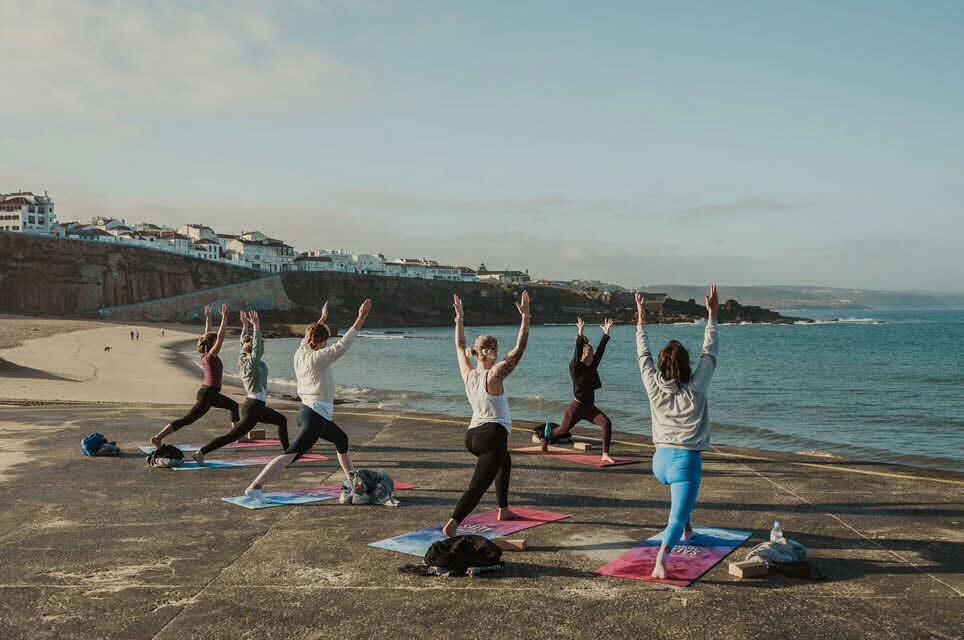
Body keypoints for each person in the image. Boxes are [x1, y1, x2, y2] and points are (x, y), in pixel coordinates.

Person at [244, 299, 372, 502]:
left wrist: (322, 319)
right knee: (291, 454)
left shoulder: (301, 351)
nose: (327, 344)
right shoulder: (318, 357)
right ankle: (255, 486)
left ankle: (353, 481)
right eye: (325, 341)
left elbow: (308, 335)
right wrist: (360, 319)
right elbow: (343, 344)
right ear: (321, 342)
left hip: (308, 411)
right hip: (315, 415)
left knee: (342, 440)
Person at [636, 286, 720, 579]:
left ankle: (689, 530)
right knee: (675, 515)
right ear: (686, 365)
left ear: (661, 365)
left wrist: (640, 319)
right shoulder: (696, 388)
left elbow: (642, 355)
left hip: (659, 462)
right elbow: (709, 353)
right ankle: (663, 556)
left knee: (682, 505)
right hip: (685, 462)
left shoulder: (652, 386)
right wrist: (711, 315)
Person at [441, 291, 531, 538]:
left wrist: (459, 318)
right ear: (490, 353)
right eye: (497, 351)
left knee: (505, 460)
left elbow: (459, 345)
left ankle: (503, 508)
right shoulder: (495, 375)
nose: (499, 354)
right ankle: (452, 524)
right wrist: (526, 317)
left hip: (473, 435)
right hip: (492, 436)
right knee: (476, 488)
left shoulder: (468, 373)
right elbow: (520, 348)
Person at [191, 310, 289, 465]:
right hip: (254, 408)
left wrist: (244, 326)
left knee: (281, 421)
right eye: (261, 346)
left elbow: (243, 344)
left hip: (254, 406)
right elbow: (254, 350)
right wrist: (256, 327)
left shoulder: (244, 358)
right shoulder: (251, 363)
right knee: (231, 436)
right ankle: (201, 452)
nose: (263, 348)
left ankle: (287, 453)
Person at [151, 304, 240, 447]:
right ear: (212, 344)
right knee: (186, 420)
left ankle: (237, 435)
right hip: (208, 394)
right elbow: (221, 338)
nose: (218, 342)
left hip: (209, 393)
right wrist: (225, 319)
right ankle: (158, 437)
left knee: (234, 406)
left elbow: (206, 336)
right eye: (215, 341)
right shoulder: (210, 356)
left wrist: (208, 319)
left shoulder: (204, 354)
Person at [540, 316, 615, 463]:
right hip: (576, 407)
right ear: (581, 357)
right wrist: (580, 334)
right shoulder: (575, 368)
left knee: (607, 423)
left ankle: (605, 454)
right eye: (587, 357)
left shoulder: (592, 365)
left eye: (591, 357)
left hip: (590, 408)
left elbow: (600, 351)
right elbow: (578, 350)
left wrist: (606, 334)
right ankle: (545, 439)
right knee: (562, 430)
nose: (590, 359)